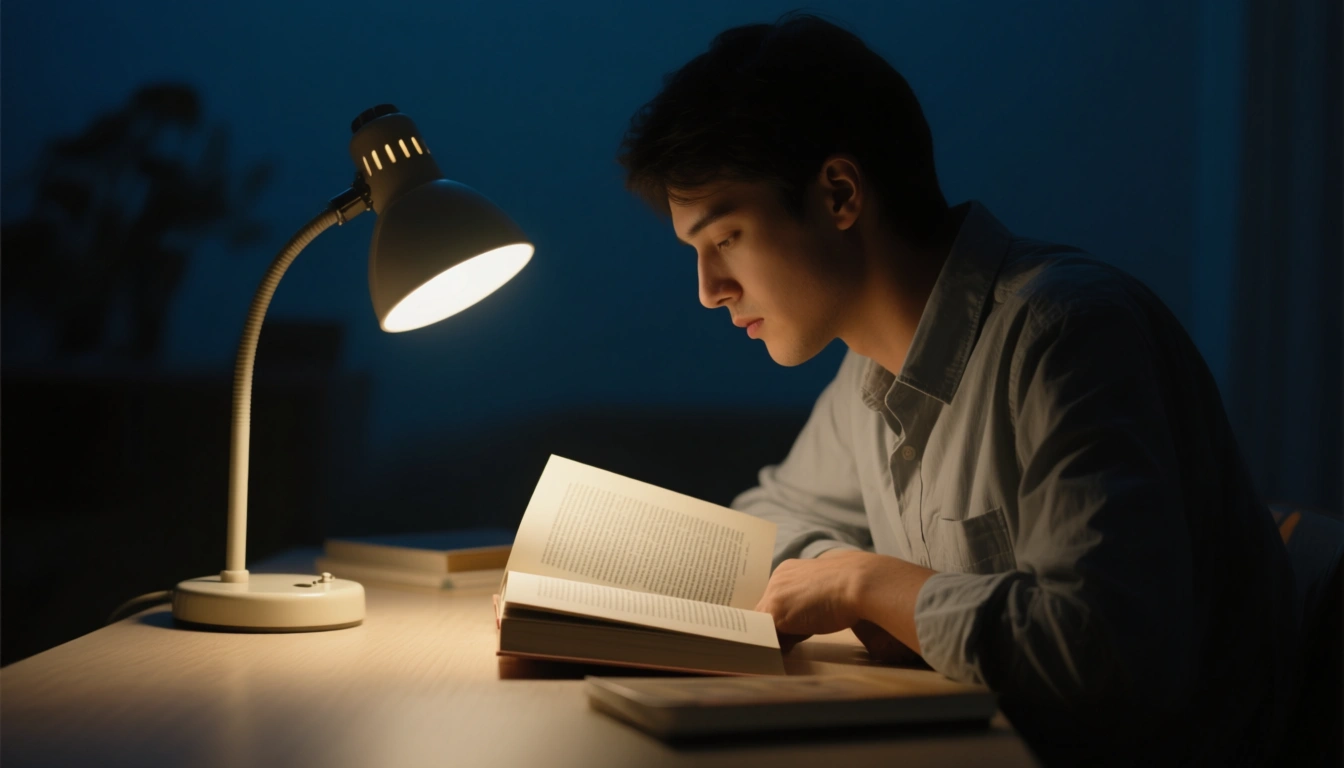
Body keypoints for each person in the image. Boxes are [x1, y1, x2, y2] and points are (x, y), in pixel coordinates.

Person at [617, 13, 1298, 767]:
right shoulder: (868, 370)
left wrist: (873, 586)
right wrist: (857, 587)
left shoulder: (1066, 336)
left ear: (840, 195)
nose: (710, 290)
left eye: (726, 239)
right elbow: (773, 512)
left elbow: (1106, 657)